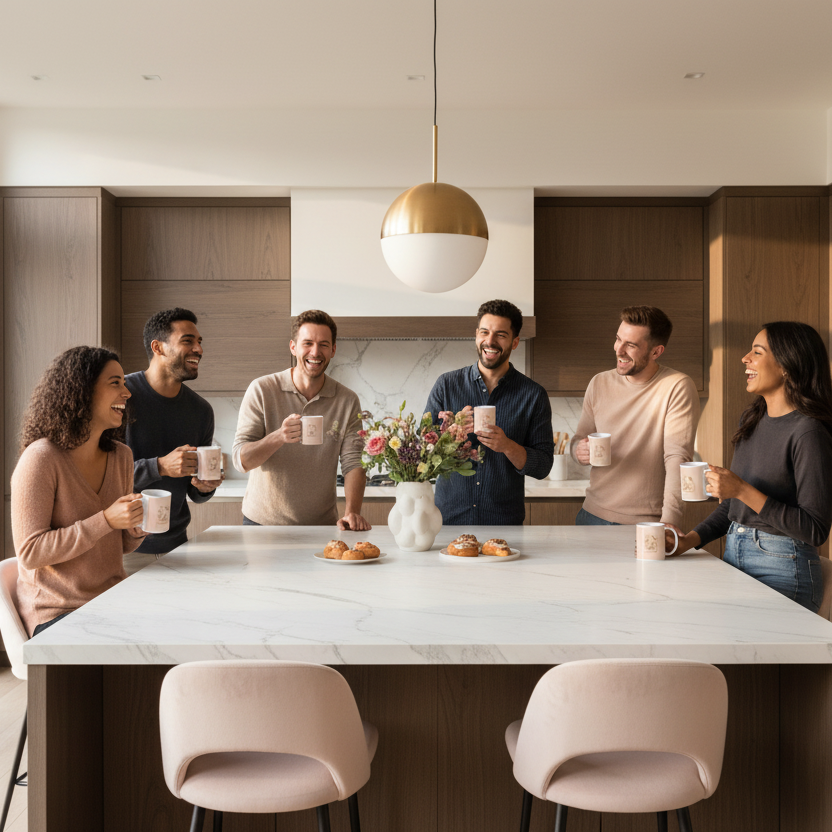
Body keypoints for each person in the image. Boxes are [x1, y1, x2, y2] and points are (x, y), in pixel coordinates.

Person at [675, 322, 832, 612]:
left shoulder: (808, 433)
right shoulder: (752, 420)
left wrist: (742, 490)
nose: (745, 358)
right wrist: (689, 540)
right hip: (735, 554)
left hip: (784, 568)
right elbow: (735, 505)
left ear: (787, 365)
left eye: (757, 352)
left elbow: (815, 529)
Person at [11, 347, 146, 637]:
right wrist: (106, 520)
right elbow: (30, 553)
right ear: (82, 390)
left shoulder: (121, 456)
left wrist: (137, 527)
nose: (127, 392)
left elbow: (119, 546)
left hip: (113, 603)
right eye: (115, 383)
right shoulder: (41, 458)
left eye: (124, 383)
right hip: (56, 611)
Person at [232, 309, 369, 529]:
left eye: (324, 344)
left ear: (333, 350)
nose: (315, 352)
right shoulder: (262, 390)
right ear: (293, 347)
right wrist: (279, 437)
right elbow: (241, 461)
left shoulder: (347, 400)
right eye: (308, 343)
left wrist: (352, 512)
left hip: (321, 526)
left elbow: (353, 462)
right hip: (262, 524)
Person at [424, 299, 554, 525]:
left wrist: (507, 446)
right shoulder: (446, 385)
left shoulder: (533, 395)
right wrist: (450, 435)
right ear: (476, 335)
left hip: (505, 523)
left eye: (501, 335)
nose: (490, 341)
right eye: (484, 332)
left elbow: (543, 466)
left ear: (515, 342)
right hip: (448, 521)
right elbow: (421, 453)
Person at [572, 306, 699, 528]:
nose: (618, 350)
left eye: (630, 345)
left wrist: (670, 521)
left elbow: (677, 458)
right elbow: (579, 438)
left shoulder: (676, 386)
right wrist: (578, 451)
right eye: (618, 339)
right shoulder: (599, 382)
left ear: (656, 352)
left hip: (645, 523)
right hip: (591, 514)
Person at [124, 308, 222, 561]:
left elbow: (195, 494)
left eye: (199, 342)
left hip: (177, 547)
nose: (199, 349)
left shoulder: (201, 411)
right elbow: (96, 478)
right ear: (158, 347)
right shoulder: (120, 396)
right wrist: (160, 466)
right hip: (123, 549)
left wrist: (204, 487)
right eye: (187, 341)